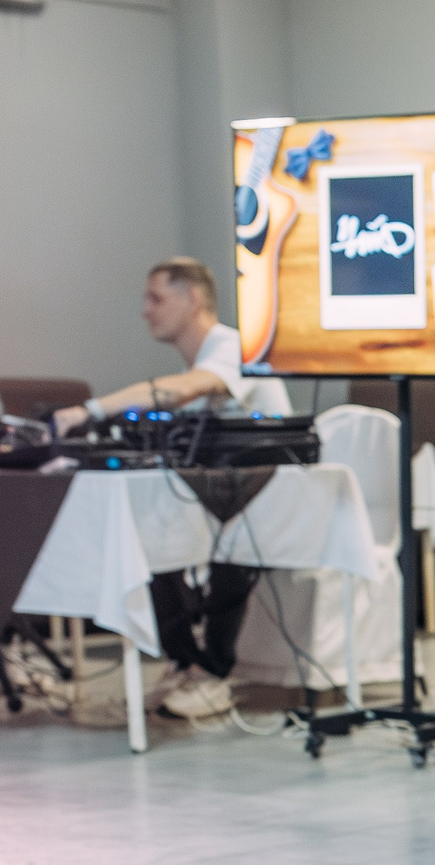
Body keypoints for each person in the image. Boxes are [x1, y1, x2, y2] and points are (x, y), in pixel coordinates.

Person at [50, 258, 295, 722]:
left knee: (228, 543)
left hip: (265, 499)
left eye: (156, 298)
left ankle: (212, 669)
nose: (145, 310)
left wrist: (90, 411)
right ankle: (186, 662)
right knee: (145, 529)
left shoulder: (233, 349)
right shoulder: (201, 360)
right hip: (220, 498)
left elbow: (181, 390)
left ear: (193, 299)